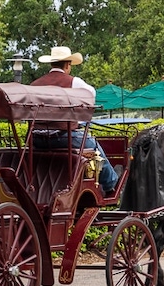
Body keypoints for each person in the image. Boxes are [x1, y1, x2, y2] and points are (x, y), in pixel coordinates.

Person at [31, 46, 119, 194]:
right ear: (67, 65)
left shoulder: (35, 84)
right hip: (63, 138)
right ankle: (110, 183)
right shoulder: (74, 82)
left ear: (52, 64)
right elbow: (91, 95)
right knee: (94, 146)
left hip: (36, 139)